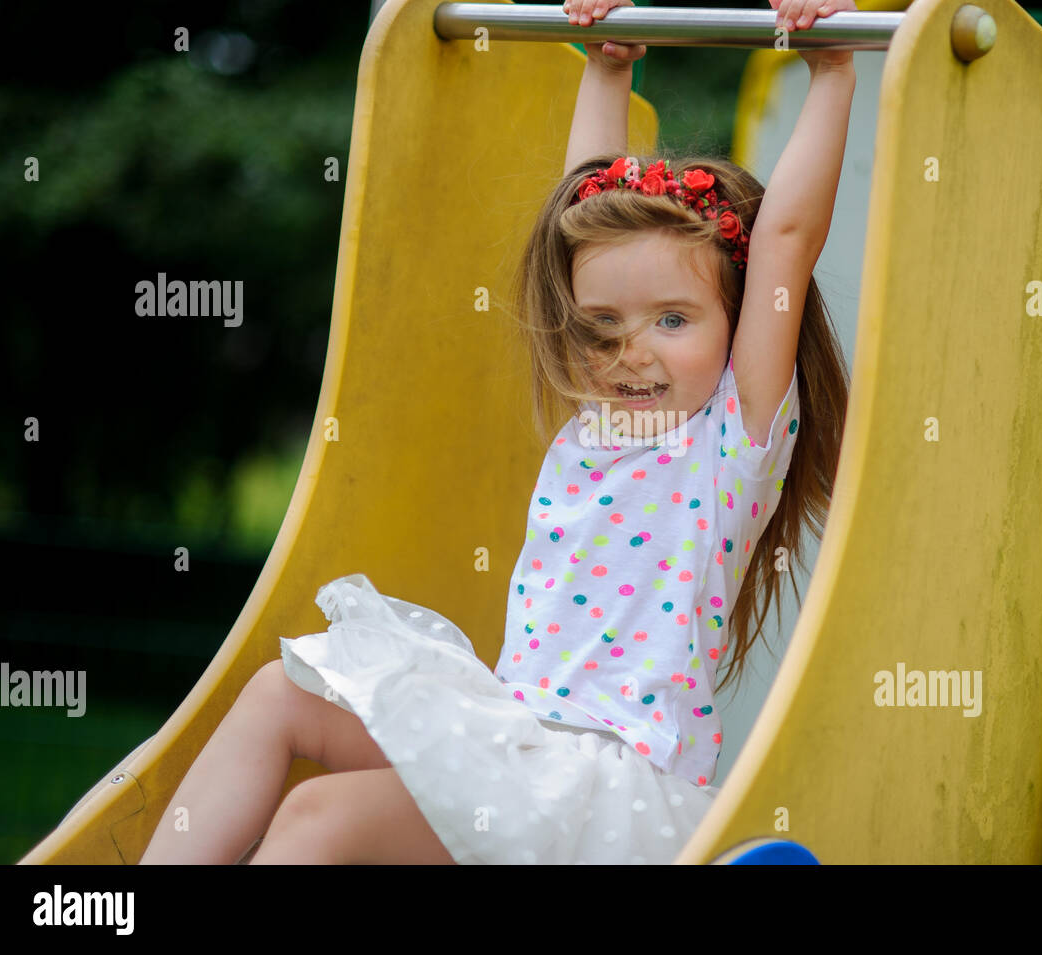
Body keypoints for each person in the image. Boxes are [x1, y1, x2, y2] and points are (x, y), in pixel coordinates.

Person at [138, 0, 855, 866]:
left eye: (673, 318)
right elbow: (573, 215)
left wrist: (833, 68)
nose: (632, 350)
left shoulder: (727, 441)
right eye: (604, 322)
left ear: (736, 319)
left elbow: (786, 236)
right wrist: (606, 66)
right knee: (277, 694)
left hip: (613, 791)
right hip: (521, 746)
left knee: (318, 820)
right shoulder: (592, 427)